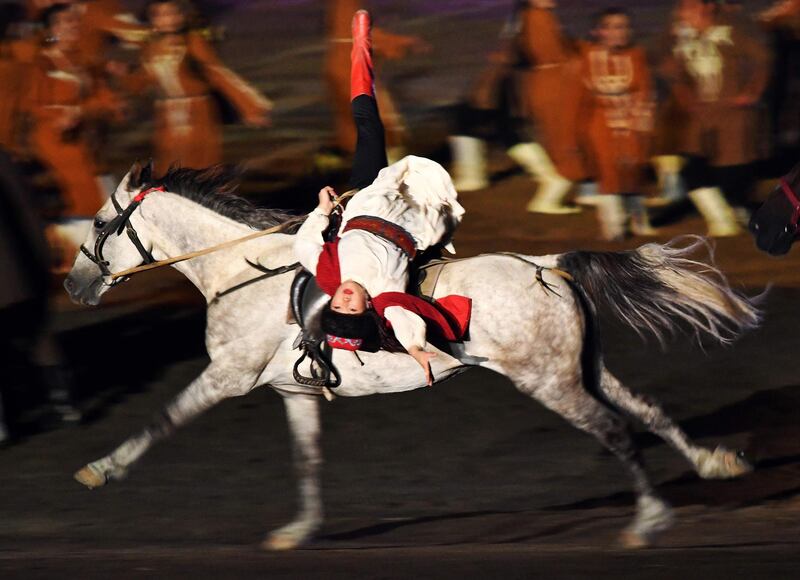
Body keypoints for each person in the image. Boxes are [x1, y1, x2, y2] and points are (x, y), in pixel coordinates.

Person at [294, 10, 469, 386]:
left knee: (368, 126)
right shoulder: (386, 294)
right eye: (351, 306)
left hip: (368, 199)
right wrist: (418, 350)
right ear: (367, 307)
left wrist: (322, 212)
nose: (344, 298)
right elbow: (404, 322)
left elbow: (305, 245)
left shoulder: (329, 275)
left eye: (337, 304)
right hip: (409, 220)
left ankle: (361, 46)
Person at [25, 3, 125, 269]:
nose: (72, 27)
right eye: (64, 23)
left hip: (83, 141)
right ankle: (71, 258)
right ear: (50, 30)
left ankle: (91, 256)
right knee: (77, 197)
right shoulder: (41, 63)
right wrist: (61, 113)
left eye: (74, 22)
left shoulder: (78, 60)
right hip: (56, 142)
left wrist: (108, 104)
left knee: (97, 193)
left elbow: (97, 95)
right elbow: (31, 105)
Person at [119, 0, 272, 173]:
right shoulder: (151, 48)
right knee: (168, 166)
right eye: (159, 15)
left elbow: (217, 73)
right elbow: (143, 80)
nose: (166, 20)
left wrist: (250, 107)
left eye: (171, 14)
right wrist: (125, 82)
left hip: (197, 114)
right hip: (167, 118)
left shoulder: (193, 42)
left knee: (198, 166)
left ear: (181, 16)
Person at [665, 0, 771, 236]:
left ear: (707, 8)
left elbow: (762, 59)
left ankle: (739, 216)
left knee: (731, 173)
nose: (684, 13)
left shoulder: (731, 32)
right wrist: (686, 99)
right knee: (693, 170)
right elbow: (673, 73)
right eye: (682, 8)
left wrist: (752, 92)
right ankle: (722, 220)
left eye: (690, 7)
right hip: (701, 116)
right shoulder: (684, 38)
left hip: (731, 115)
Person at [578, 8, 656, 240]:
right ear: (598, 31)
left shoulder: (636, 55)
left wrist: (643, 120)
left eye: (623, 27)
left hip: (631, 120)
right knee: (607, 170)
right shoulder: (585, 55)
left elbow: (644, 89)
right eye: (611, 27)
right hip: (599, 122)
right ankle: (613, 226)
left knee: (634, 168)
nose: (619, 33)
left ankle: (640, 221)